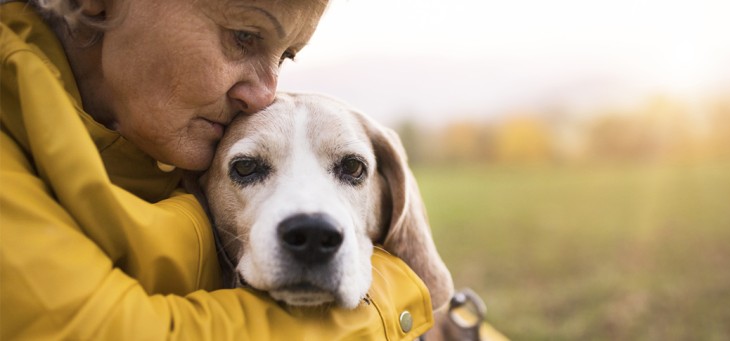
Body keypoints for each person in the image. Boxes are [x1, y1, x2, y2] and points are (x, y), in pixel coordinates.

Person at [0, 0, 437, 339]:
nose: (265, 94)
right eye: (244, 36)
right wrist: (392, 300)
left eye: (283, 57)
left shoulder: (165, 136)